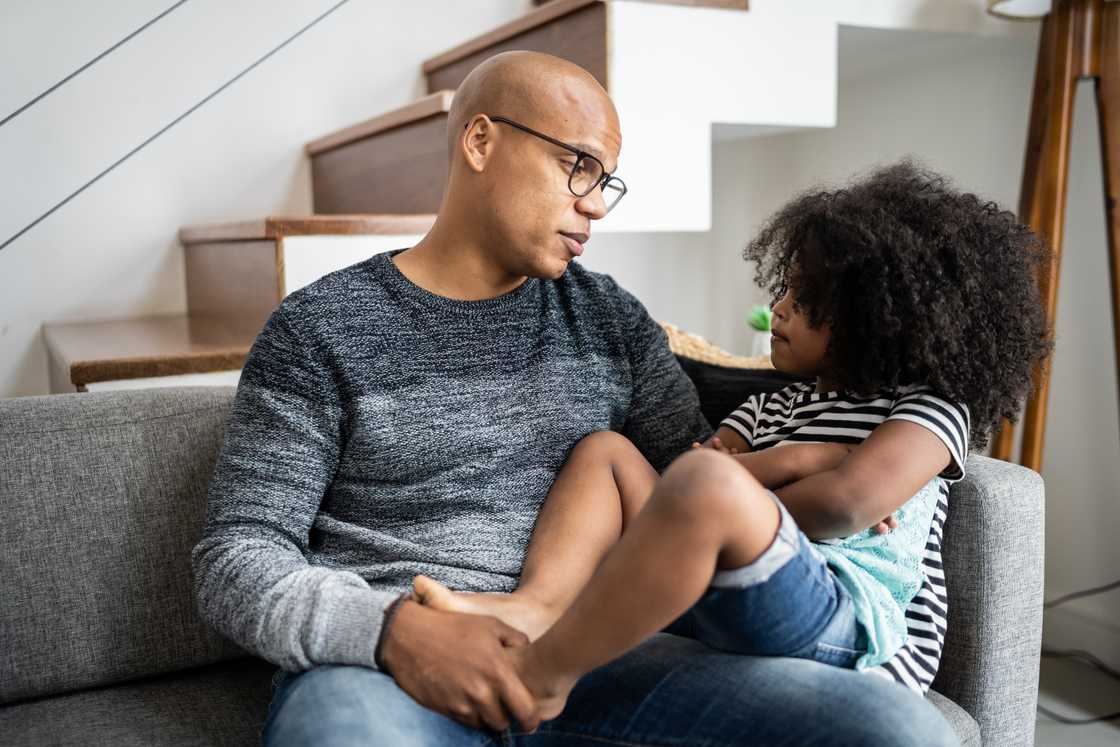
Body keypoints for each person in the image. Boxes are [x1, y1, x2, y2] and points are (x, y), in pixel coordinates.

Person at [191, 47, 963, 744]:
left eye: (606, 183)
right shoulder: (320, 329)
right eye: (578, 167)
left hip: (601, 658)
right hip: (394, 669)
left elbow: (690, 489)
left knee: (891, 727)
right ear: (482, 141)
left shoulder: (608, 319)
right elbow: (236, 557)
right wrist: (393, 631)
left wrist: (840, 455)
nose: (595, 204)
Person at [412, 160, 1053, 716]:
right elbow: (690, 484)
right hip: (729, 585)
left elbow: (843, 507)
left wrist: (744, 489)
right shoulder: (772, 406)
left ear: (881, 321)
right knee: (605, 451)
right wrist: (802, 458)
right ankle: (536, 604)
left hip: (847, 620)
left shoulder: (928, 411)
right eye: (784, 292)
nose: (778, 310)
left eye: (805, 302)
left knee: (707, 487)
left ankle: (544, 678)